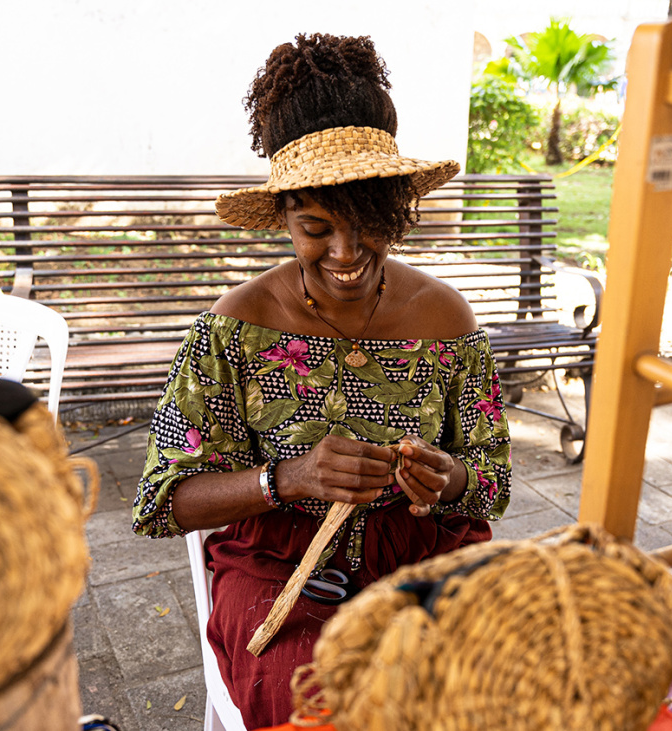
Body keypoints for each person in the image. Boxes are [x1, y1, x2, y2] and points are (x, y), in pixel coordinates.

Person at [133, 33, 511, 729]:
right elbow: (161, 500)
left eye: (369, 224)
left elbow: (494, 480)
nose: (345, 253)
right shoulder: (235, 328)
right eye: (315, 227)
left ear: (397, 210)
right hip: (279, 570)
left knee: (504, 683)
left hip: (425, 564)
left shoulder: (447, 320)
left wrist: (447, 478)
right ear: (283, 217)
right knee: (325, 703)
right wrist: (287, 478)